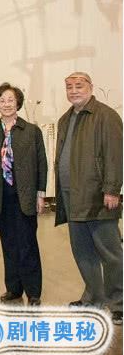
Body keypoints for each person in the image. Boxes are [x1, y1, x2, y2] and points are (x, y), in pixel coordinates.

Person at [55, 72, 123, 325]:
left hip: (98, 196)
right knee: (83, 252)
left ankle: (119, 303)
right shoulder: (65, 119)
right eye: (69, 86)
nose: (73, 90)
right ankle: (93, 298)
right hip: (71, 196)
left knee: (110, 253)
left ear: (91, 87)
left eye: (79, 86)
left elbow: (115, 155)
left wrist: (112, 189)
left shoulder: (106, 116)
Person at [0, 83, 47, 306]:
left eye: (10, 100)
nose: (6, 104)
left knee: (27, 243)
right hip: (0, 196)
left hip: (25, 195)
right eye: (2, 100)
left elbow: (41, 164)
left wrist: (40, 193)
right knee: (8, 243)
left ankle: (33, 291)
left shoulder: (31, 131)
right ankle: (13, 288)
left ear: (17, 102)